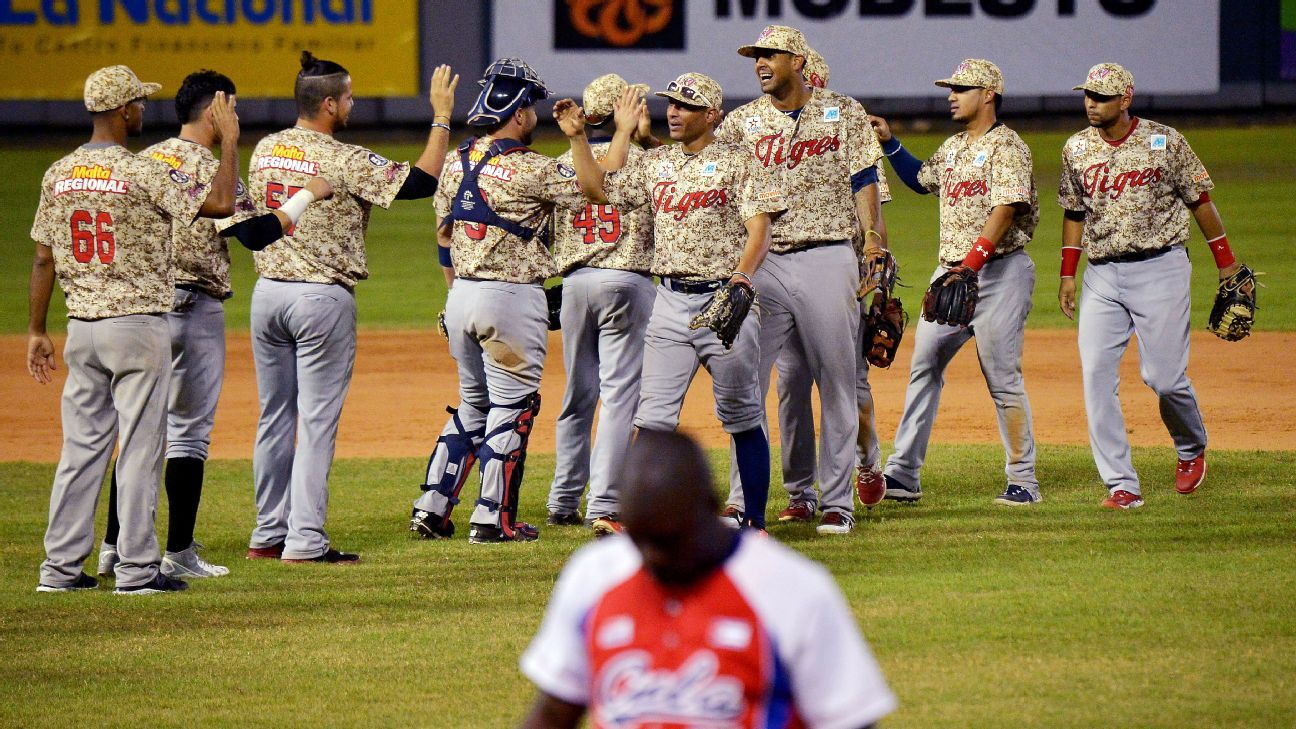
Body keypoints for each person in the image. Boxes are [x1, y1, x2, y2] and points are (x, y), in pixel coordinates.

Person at [92, 70, 331, 581]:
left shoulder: (147, 158)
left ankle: (113, 547)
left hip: (145, 308)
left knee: (136, 433)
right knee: (188, 435)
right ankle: (178, 550)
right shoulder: (211, 166)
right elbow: (259, 235)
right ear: (214, 112)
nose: (237, 118)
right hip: (195, 307)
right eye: (233, 109)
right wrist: (307, 195)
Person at [518, 429, 898, 729]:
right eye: (641, 541)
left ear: (713, 509)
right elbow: (554, 713)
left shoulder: (792, 590)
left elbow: (850, 721)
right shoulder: (594, 575)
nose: (653, 557)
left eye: (669, 540)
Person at [29, 65, 240, 594]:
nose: (145, 110)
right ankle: (138, 570)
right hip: (137, 325)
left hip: (81, 327)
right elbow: (219, 205)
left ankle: (59, 571)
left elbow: (41, 259)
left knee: (80, 453)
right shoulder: (142, 171)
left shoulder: (59, 173)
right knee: (143, 447)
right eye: (139, 104)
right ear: (122, 112)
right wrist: (231, 143)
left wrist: (36, 329)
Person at [245, 52, 457, 563]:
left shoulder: (265, 149)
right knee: (316, 421)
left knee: (275, 419)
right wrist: (442, 116)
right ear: (328, 103)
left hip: (267, 295)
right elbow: (423, 181)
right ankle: (305, 541)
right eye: (349, 97)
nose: (353, 104)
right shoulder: (344, 158)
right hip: (320, 298)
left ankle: (267, 534)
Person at [557, 72, 784, 530]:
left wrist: (741, 280)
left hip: (725, 302)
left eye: (686, 104)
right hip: (669, 301)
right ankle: (642, 522)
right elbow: (600, 189)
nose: (674, 111)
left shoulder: (741, 163)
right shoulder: (655, 162)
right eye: (671, 103)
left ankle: (754, 521)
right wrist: (580, 138)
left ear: (712, 115)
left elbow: (760, 230)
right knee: (652, 418)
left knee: (741, 417)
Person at [716, 25, 888, 535]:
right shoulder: (741, 123)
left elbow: (865, 180)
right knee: (753, 383)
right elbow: (706, 171)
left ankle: (836, 501)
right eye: (756, 56)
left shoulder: (844, 111)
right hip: (762, 263)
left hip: (828, 256)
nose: (760, 63)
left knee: (837, 381)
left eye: (770, 55)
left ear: (797, 59)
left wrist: (873, 240)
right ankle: (758, 497)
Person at [409, 58, 586, 544]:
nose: (536, 115)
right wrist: (583, 137)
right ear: (520, 112)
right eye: (533, 106)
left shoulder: (454, 163)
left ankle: (432, 508)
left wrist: (454, 295)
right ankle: (492, 519)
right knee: (512, 411)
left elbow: (443, 236)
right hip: (510, 301)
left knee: (471, 408)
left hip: (462, 296)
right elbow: (595, 188)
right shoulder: (530, 168)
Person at [1057, 63, 1245, 509]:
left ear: (1126, 99)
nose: (1091, 103)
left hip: (1161, 269)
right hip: (1101, 275)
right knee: (1096, 380)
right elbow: (1074, 212)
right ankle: (1121, 484)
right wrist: (1068, 273)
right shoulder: (1076, 148)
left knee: (1163, 379)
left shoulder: (1166, 141)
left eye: (1101, 97)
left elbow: (1200, 200)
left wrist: (1227, 264)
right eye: (1088, 95)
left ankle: (1190, 446)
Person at [870, 59, 1042, 506]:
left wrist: (971, 264)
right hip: (952, 275)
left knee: (1002, 378)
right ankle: (904, 474)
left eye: (961, 88)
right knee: (924, 368)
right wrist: (891, 145)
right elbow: (922, 180)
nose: (951, 94)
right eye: (951, 87)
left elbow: (1004, 210)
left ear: (988, 94)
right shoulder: (953, 147)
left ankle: (1023, 480)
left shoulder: (1008, 147)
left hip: (999, 275)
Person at [772, 47, 896, 518]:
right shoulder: (776, 138)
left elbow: (874, 211)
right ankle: (800, 493)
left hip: (841, 269)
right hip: (785, 271)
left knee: (853, 387)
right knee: (791, 383)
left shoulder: (842, 131)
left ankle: (867, 463)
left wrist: (875, 266)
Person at [544, 74, 656, 535]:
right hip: (627, 283)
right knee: (619, 396)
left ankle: (562, 498)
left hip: (575, 286)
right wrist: (641, 136)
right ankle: (605, 503)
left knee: (578, 394)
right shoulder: (650, 164)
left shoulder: (561, 162)